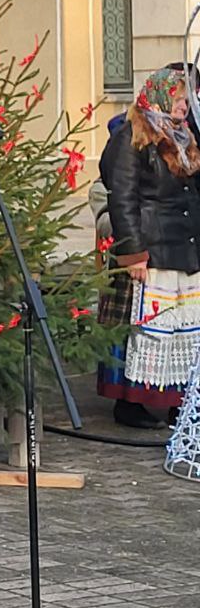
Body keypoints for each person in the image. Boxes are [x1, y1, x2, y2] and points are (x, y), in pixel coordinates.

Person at [102, 66, 200, 425]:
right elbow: (122, 198)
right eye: (177, 100)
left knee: (185, 330)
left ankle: (182, 402)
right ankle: (131, 403)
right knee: (151, 329)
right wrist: (134, 253)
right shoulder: (133, 137)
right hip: (153, 244)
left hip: (185, 243)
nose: (184, 106)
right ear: (159, 96)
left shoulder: (186, 135)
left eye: (186, 100)